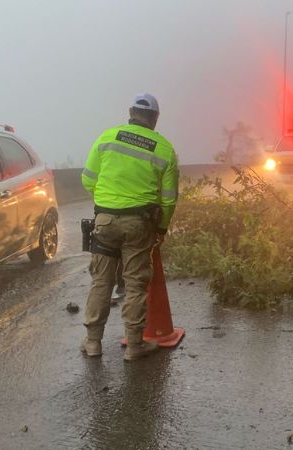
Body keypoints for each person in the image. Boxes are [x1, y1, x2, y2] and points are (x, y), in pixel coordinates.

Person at [80, 93, 179, 361]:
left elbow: (88, 179)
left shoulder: (107, 137)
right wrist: (161, 228)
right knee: (135, 284)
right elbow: (169, 199)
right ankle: (135, 346)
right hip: (139, 223)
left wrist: (108, 201)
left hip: (105, 220)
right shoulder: (165, 149)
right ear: (155, 118)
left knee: (101, 281)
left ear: (130, 111)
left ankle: (92, 343)